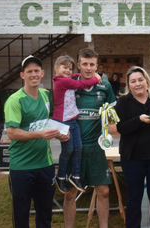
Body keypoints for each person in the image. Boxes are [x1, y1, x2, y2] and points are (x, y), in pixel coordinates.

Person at [4, 55, 69, 228]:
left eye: (36, 71)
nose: (33, 74)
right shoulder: (15, 100)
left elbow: (44, 123)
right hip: (22, 167)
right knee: (22, 215)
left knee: (45, 214)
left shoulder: (45, 94)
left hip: (44, 165)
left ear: (42, 73)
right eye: (29, 71)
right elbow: (11, 132)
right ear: (22, 75)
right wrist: (41, 134)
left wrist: (59, 134)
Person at [115, 66, 150, 228]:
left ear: (146, 81)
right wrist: (139, 120)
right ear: (128, 84)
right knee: (134, 197)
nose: (137, 84)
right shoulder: (123, 102)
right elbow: (120, 128)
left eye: (140, 80)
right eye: (133, 81)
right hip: (132, 158)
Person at [64, 49, 116, 228]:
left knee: (103, 191)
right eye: (84, 64)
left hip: (96, 147)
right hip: (74, 148)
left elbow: (112, 115)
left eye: (92, 64)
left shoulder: (105, 86)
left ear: (97, 65)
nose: (88, 68)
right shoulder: (69, 84)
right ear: (78, 65)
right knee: (70, 193)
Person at [52, 55, 101, 194]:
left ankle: (76, 176)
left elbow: (77, 77)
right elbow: (81, 84)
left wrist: (84, 73)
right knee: (68, 150)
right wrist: (95, 78)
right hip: (63, 121)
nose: (68, 71)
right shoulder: (61, 82)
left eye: (70, 69)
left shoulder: (68, 79)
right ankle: (60, 176)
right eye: (64, 68)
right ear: (56, 68)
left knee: (78, 148)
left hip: (72, 120)